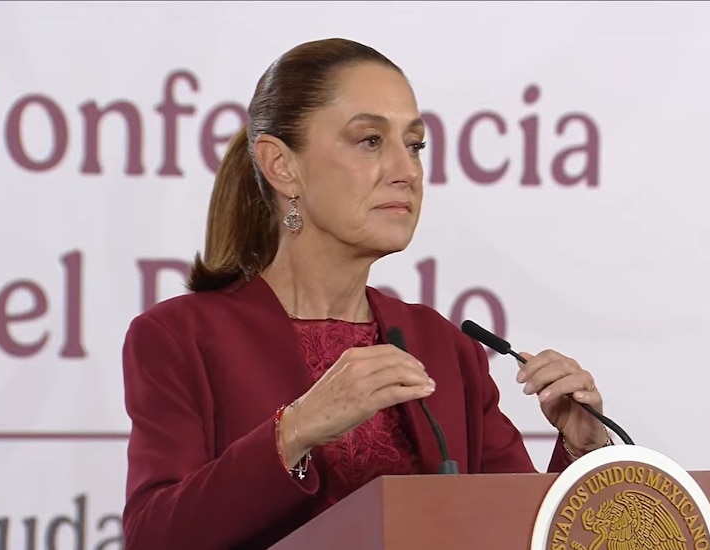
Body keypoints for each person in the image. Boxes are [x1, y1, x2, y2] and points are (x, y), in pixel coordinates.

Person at [119, 38, 613, 550]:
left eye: (415, 144)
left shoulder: (443, 346)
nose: (408, 171)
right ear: (281, 165)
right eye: (370, 141)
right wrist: (297, 430)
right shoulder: (181, 337)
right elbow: (154, 536)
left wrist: (580, 453)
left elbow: (511, 530)